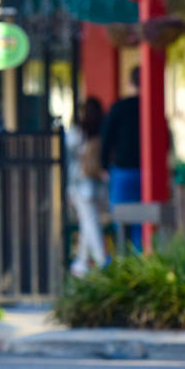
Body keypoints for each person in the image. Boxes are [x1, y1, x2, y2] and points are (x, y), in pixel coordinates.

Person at [100, 66, 143, 252]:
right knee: (143, 222)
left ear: (130, 82)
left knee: (121, 220)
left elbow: (106, 138)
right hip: (147, 172)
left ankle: (126, 265)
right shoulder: (154, 105)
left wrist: (104, 165)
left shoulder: (120, 107)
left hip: (123, 170)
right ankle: (142, 262)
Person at [67, 97, 108, 277]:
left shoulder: (77, 134)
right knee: (88, 223)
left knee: (89, 222)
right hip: (100, 184)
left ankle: (101, 260)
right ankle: (82, 263)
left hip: (82, 186)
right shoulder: (103, 131)